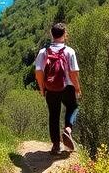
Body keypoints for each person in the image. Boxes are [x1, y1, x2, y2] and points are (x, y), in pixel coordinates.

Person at [34, 22, 81, 156]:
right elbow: (73, 73)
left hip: (50, 88)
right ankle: (68, 129)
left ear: (51, 34)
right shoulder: (69, 51)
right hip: (67, 87)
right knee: (73, 107)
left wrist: (42, 88)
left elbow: (38, 72)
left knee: (54, 115)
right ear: (64, 34)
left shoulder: (43, 52)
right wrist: (77, 88)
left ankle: (56, 146)